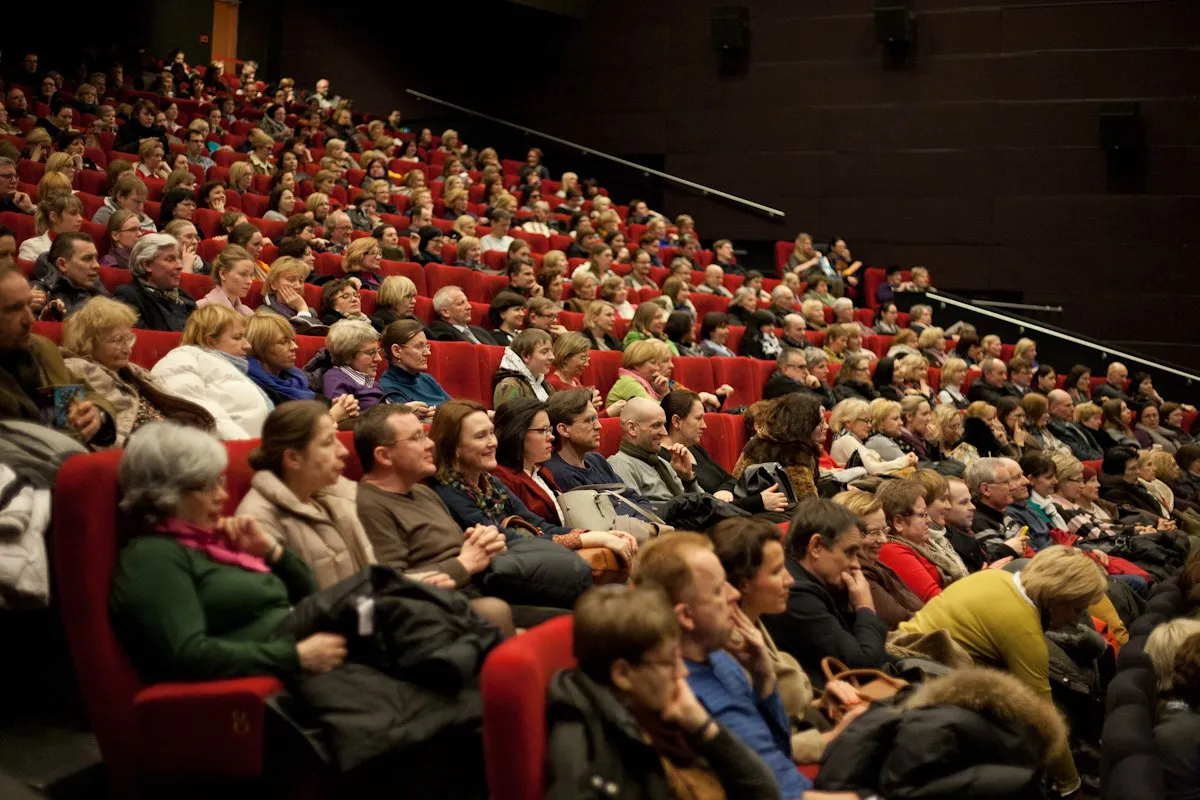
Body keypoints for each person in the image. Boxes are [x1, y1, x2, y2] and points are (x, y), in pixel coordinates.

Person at [108, 421, 496, 796]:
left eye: (220, 481)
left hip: (309, 632)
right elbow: (186, 653)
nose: (221, 496)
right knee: (441, 701)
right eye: (205, 486)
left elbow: (306, 593)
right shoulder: (154, 557)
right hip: (289, 657)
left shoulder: (211, 542)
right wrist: (293, 655)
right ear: (164, 492)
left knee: (441, 656)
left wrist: (272, 553)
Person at [544, 584, 788, 800]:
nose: (683, 673)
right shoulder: (588, 755)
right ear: (623, 674)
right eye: (670, 662)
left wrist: (704, 727)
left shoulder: (660, 717)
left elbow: (764, 792)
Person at [897, 546, 1105, 796]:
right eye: (1077, 608)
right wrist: (1071, 786)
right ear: (1057, 597)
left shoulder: (995, 577)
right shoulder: (1023, 629)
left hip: (903, 658)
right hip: (929, 691)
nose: (1076, 618)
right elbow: (1044, 719)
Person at [630, 533, 814, 800]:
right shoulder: (683, 698)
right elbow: (777, 792)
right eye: (718, 590)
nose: (735, 594)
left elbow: (778, 753)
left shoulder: (721, 657)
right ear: (685, 615)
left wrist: (764, 679)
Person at [235, 400, 374, 589]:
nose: (343, 451)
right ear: (293, 458)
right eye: (328, 442)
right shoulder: (259, 521)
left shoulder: (340, 494)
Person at [762, 498, 890, 687]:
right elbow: (864, 668)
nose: (855, 564)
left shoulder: (817, 583)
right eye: (849, 552)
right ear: (816, 546)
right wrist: (865, 607)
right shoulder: (797, 595)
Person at [491, 398, 637, 561]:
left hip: (565, 543)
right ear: (517, 434)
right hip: (546, 555)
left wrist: (597, 535)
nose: (551, 437)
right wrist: (593, 537)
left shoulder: (541, 471)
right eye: (542, 431)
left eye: (549, 429)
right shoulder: (503, 477)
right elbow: (536, 527)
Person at [60, 296, 214, 448]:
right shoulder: (71, 369)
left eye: (128, 339)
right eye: (117, 340)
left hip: (171, 441)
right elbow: (70, 428)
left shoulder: (135, 372)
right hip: (134, 453)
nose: (127, 348)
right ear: (88, 342)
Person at [0, 263, 115, 442]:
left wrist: (96, 413)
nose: (30, 319)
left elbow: (88, 396)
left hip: (68, 455)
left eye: (29, 305)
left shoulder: (43, 349)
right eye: (14, 309)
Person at [148, 304, 272, 439]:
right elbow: (200, 414)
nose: (248, 345)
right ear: (210, 341)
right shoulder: (182, 358)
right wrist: (246, 449)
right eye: (237, 337)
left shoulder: (224, 365)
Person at [661, 390, 790, 515]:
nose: (704, 425)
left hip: (734, 510)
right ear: (676, 421)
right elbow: (702, 508)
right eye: (698, 418)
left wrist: (724, 490)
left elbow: (730, 479)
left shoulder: (693, 448)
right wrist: (758, 502)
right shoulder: (666, 459)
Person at [831, 490, 924, 627]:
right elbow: (899, 622)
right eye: (873, 533)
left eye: (884, 531)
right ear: (845, 534)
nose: (884, 540)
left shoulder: (873, 564)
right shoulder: (858, 573)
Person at [243, 314, 358, 423]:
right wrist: (333, 416)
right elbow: (286, 434)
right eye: (284, 342)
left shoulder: (294, 378)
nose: (295, 347)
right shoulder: (254, 388)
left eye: (293, 340)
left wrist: (341, 405)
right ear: (259, 348)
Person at [876, 478, 965, 602]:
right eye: (922, 515)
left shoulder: (922, 543)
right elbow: (935, 601)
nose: (928, 520)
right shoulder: (892, 551)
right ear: (898, 522)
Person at [608, 397, 703, 510]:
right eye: (656, 425)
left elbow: (701, 505)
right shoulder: (620, 465)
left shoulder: (663, 463)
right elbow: (636, 516)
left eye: (664, 425)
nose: (664, 432)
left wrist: (688, 479)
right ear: (632, 428)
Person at [735, 393, 825, 502]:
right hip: (767, 515)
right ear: (805, 425)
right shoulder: (795, 454)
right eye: (820, 423)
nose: (826, 427)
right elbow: (809, 505)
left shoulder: (758, 442)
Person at [113, 234, 197, 332]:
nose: (180, 266)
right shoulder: (128, 297)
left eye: (179, 259)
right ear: (147, 265)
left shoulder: (182, 296)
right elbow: (146, 341)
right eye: (170, 259)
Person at [30, 232, 109, 320]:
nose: (96, 265)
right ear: (62, 264)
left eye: (96, 258)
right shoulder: (35, 293)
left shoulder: (98, 289)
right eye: (87, 258)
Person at [828, 398, 917, 475]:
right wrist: (905, 460)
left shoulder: (851, 439)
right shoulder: (845, 440)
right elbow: (873, 469)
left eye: (870, 421)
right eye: (865, 421)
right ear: (848, 422)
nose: (870, 425)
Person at [322, 319, 387, 412]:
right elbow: (343, 419)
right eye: (371, 352)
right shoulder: (335, 379)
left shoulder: (371, 382)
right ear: (347, 355)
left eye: (378, 350)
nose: (379, 358)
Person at [259, 257, 325, 334]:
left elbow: (322, 336)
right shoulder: (264, 315)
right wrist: (302, 309)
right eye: (291, 279)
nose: (298, 286)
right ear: (273, 284)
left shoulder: (309, 311)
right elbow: (292, 338)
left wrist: (303, 309)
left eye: (301, 281)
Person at [493, 328, 556, 407]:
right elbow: (511, 418)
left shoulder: (542, 382)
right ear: (526, 356)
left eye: (551, 351)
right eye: (544, 352)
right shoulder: (510, 385)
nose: (552, 357)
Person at [19, 193, 84, 262]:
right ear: (53, 216)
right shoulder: (31, 247)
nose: (80, 219)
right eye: (73, 213)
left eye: (80, 214)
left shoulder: (84, 246)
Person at [195, 245, 255, 317]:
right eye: (243, 274)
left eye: (251, 275)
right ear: (223, 274)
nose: (250, 281)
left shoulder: (248, 313)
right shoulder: (203, 309)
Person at [427, 286, 496, 345]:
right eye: (461, 303)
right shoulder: (442, 331)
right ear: (445, 312)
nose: (469, 306)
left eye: (467, 301)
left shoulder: (480, 330)